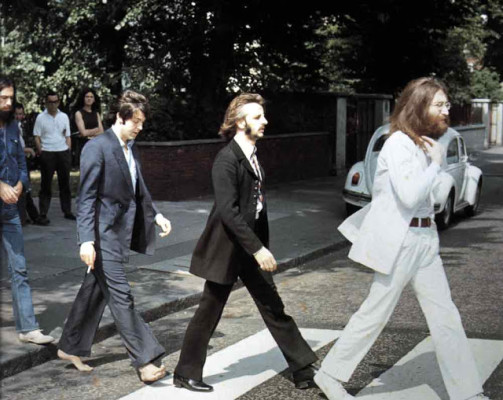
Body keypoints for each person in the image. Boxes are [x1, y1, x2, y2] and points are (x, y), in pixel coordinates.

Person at [314, 77, 490, 400]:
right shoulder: (397, 144)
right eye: (439, 105)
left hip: (426, 239)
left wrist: (435, 165)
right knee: (376, 313)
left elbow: (433, 200)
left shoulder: (421, 145)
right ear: (419, 106)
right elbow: (409, 196)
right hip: (401, 241)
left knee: (445, 315)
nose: (446, 110)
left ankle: (468, 392)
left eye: (446, 104)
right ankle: (329, 375)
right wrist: (436, 165)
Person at [174, 93, 318, 393]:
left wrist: (257, 245)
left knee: (272, 305)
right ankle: (185, 373)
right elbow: (229, 212)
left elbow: (255, 205)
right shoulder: (226, 160)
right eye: (257, 117)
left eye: (262, 116)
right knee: (208, 311)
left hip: (247, 248)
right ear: (240, 123)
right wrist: (258, 248)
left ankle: (303, 368)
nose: (264, 121)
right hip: (227, 249)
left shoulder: (251, 154)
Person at [57, 90, 172, 384]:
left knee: (96, 289)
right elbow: (86, 198)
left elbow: (138, 187)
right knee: (122, 297)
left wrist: (155, 214)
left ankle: (70, 346)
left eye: (142, 122)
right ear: (120, 117)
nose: (140, 127)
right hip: (102, 234)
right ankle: (145, 360)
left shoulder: (130, 147)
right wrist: (86, 240)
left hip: (120, 233)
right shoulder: (98, 147)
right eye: (136, 121)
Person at [0, 76, 55, 345]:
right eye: (3, 98)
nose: (9, 103)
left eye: (11, 98)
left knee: (19, 267)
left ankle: (28, 327)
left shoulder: (12, 127)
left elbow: (21, 160)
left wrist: (21, 183)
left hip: (10, 209)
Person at [33, 90, 75, 223]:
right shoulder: (40, 117)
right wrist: (41, 151)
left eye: (55, 102)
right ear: (45, 103)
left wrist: (68, 150)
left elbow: (68, 135)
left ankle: (67, 210)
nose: (52, 105)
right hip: (47, 152)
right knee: (46, 185)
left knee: (65, 184)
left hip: (62, 152)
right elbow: (37, 136)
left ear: (58, 102)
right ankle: (43, 213)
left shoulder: (64, 117)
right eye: (50, 102)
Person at [14, 103, 45, 226]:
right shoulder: (10, 128)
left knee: (25, 190)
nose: (18, 116)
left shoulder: (21, 126)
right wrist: (28, 150)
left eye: (20, 114)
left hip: (22, 161)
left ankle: (31, 216)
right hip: (14, 162)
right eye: (16, 114)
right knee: (22, 190)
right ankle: (28, 217)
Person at [71, 88, 104, 167]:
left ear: (94, 99)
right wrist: (96, 130)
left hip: (96, 145)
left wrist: (89, 133)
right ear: (83, 98)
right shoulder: (78, 113)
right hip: (84, 146)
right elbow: (83, 132)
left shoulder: (96, 114)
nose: (89, 99)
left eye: (91, 97)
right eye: (87, 96)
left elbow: (102, 131)